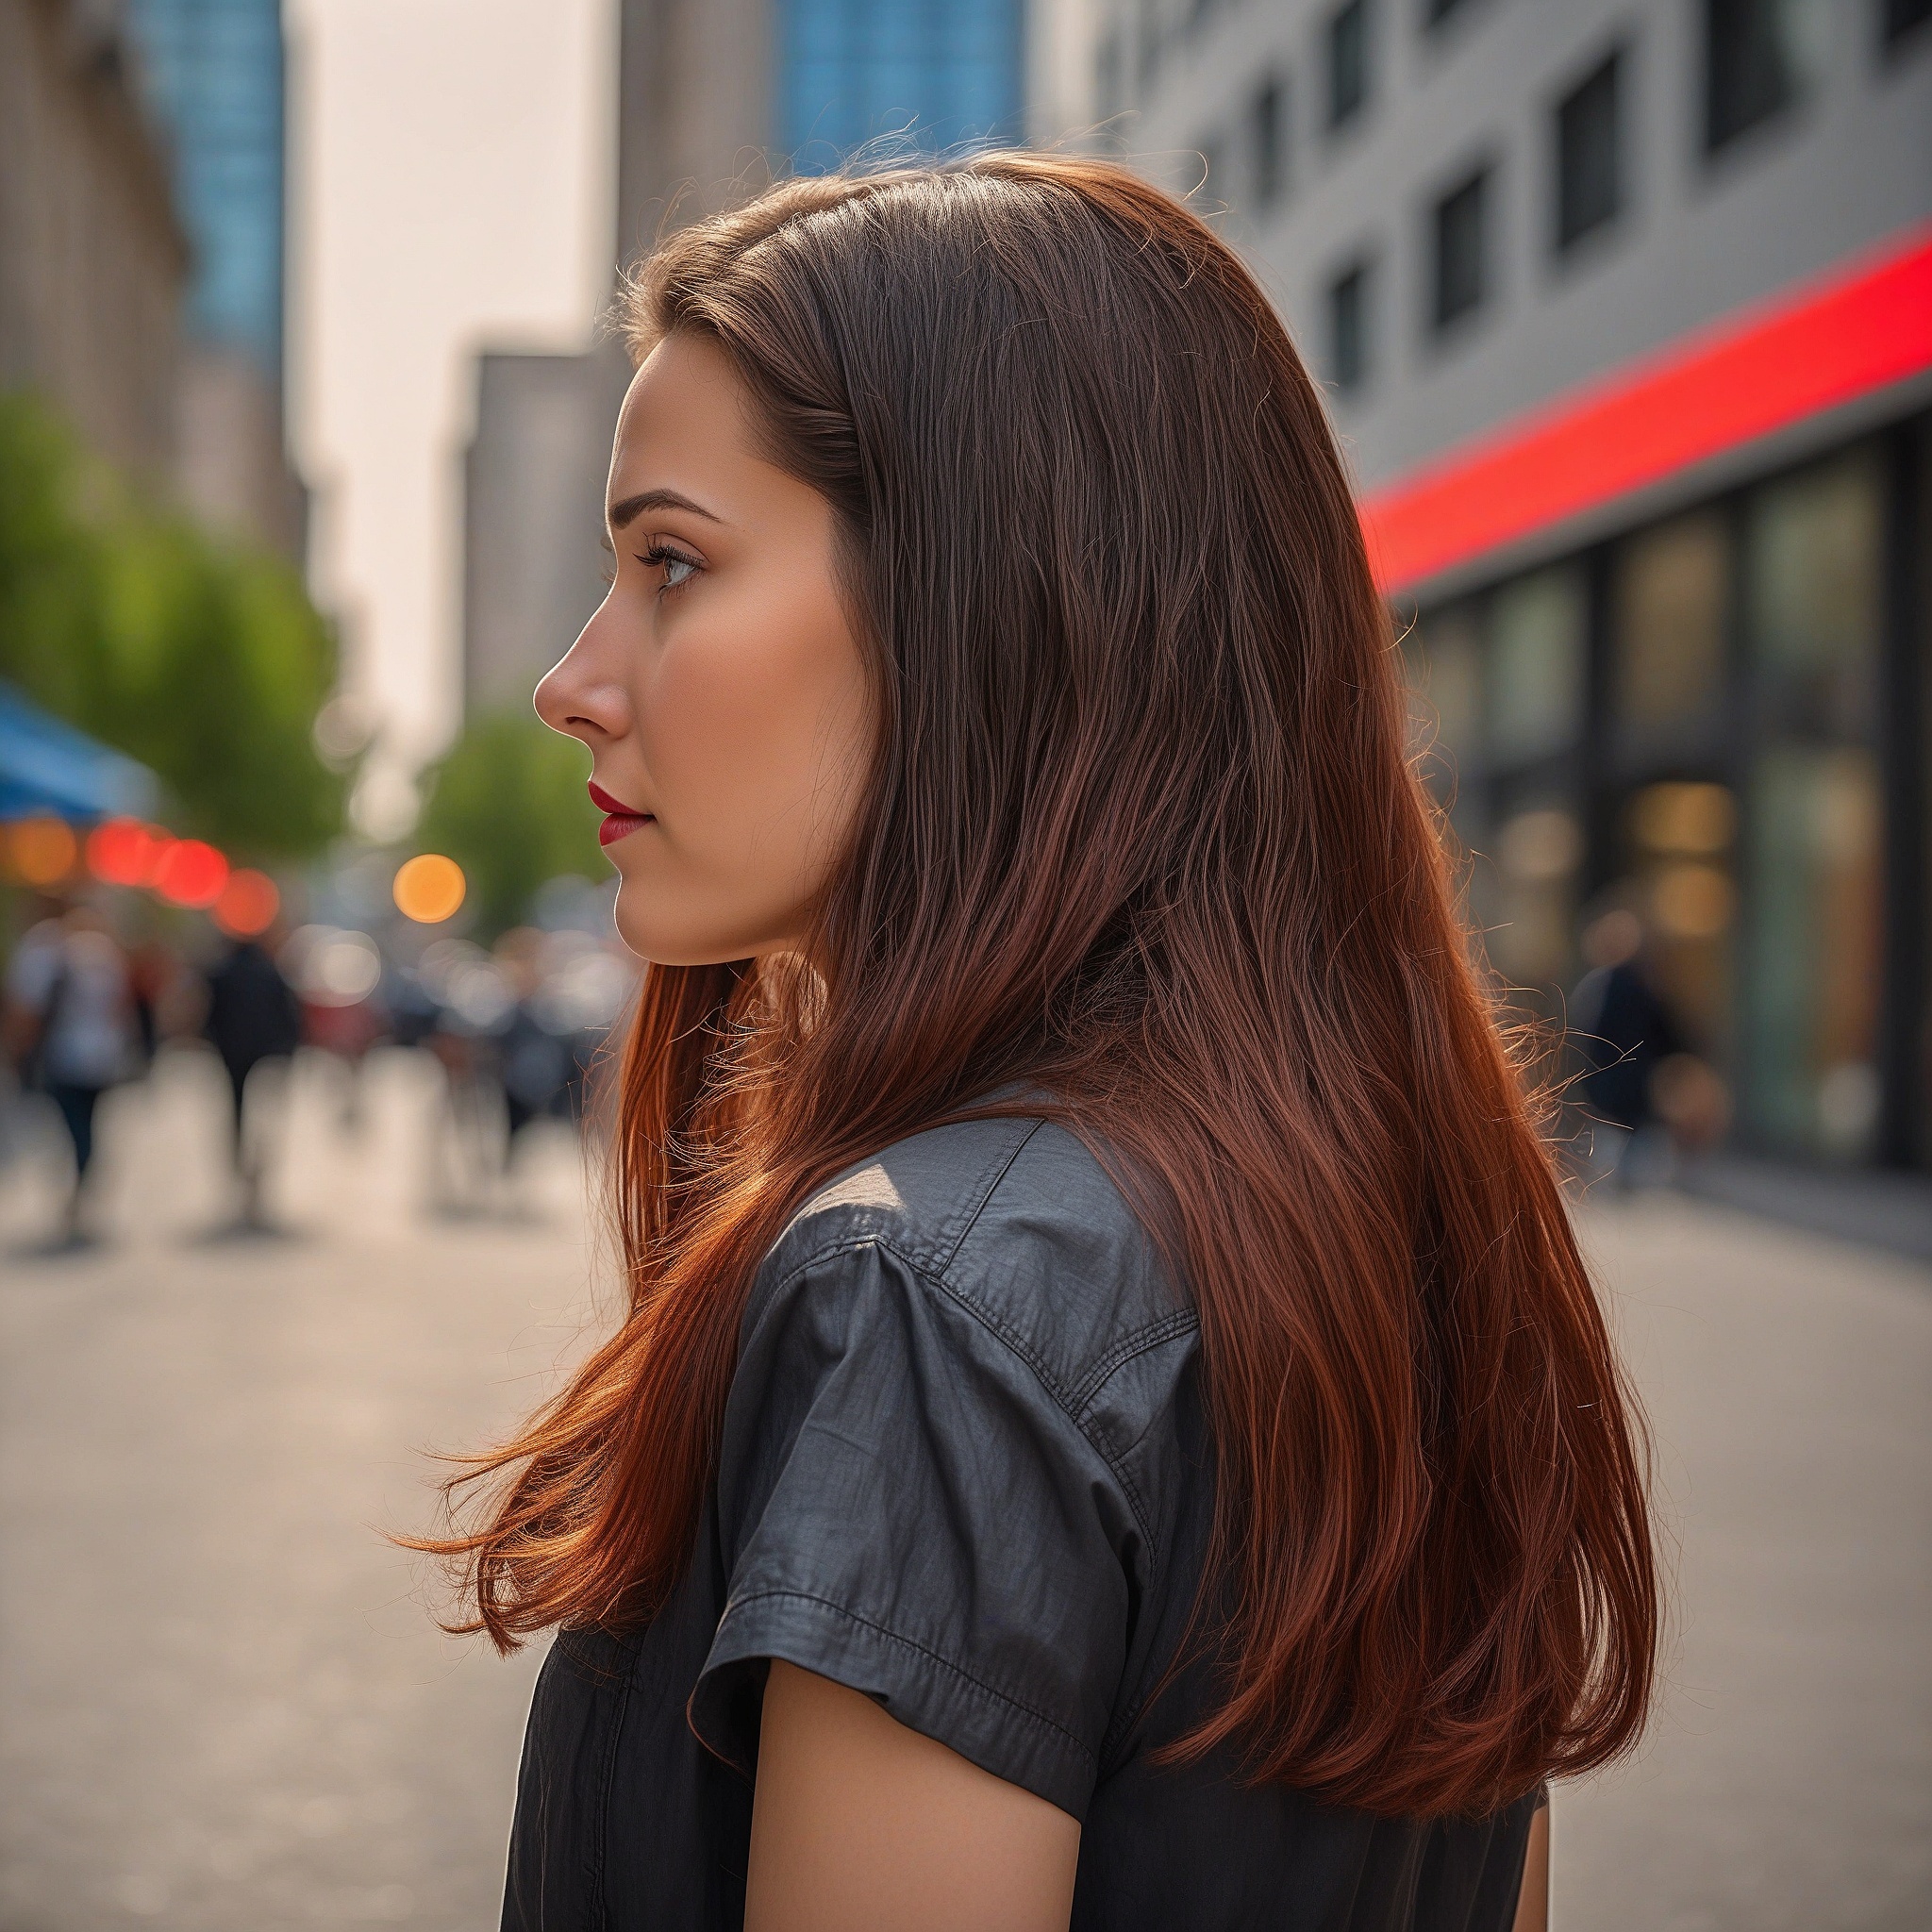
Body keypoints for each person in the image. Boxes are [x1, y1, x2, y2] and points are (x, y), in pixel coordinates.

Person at [421, 158, 1657, 1932]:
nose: (573, 676)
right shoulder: (1406, 1245)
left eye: (671, 561)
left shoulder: (926, 1304)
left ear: (988, 602)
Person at [4, 903, 142, 1242]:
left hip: (66, 1055)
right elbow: (122, 1006)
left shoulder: (47, 953)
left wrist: (18, 1049)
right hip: (101, 1053)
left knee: (72, 1123)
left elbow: (28, 1009)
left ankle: (80, 1181)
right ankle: (84, 1178)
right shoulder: (104, 954)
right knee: (88, 1123)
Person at [202, 926, 303, 1225]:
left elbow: (210, 1016)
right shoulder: (271, 973)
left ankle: (242, 1167)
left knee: (238, 1116)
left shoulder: (222, 973)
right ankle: (256, 1170)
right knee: (266, 1119)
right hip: (268, 1056)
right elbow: (289, 1016)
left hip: (233, 1055)